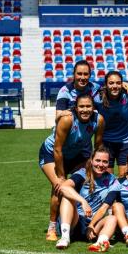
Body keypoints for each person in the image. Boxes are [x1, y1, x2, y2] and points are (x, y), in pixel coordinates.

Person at [39, 94, 104, 241]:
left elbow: (99, 146)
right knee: (58, 187)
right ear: (76, 107)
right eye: (81, 106)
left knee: (79, 184)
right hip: (51, 153)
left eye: (88, 106)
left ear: (93, 108)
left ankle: (76, 221)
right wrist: (61, 177)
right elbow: (57, 149)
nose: (85, 110)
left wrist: (95, 164)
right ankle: (52, 227)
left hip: (76, 154)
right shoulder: (68, 119)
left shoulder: (98, 120)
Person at [55, 148, 117, 251]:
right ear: (91, 160)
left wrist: (91, 224)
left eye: (105, 162)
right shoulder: (83, 173)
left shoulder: (112, 180)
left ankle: (101, 243)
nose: (101, 164)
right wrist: (83, 201)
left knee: (113, 218)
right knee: (67, 197)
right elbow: (63, 187)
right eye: (98, 160)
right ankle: (65, 238)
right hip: (75, 221)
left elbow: (105, 207)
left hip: (94, 224)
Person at [95, 71, 128, 177]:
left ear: (122, 84)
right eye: (111, 83)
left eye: (118, 83)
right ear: (106, 85)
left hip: (125, 142)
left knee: (124, 177)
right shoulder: (98, 99)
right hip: (106, 142)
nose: (115, 86)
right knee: (107, 179)